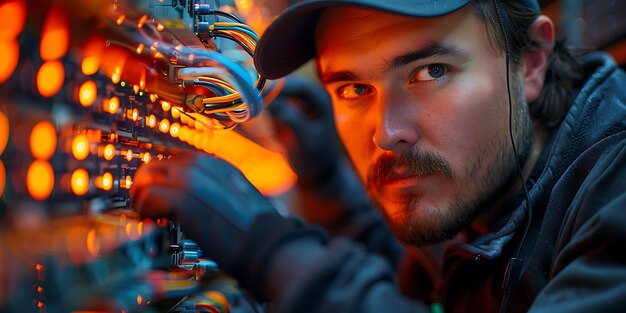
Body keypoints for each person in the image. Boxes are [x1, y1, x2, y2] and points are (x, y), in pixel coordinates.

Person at [131, 0, 626, 312]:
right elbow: (417, 285)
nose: (387, 133)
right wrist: (330, 191)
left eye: (431, 72)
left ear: (530, 63)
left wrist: (272, 253)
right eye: (352, 88)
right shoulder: (478, 182)